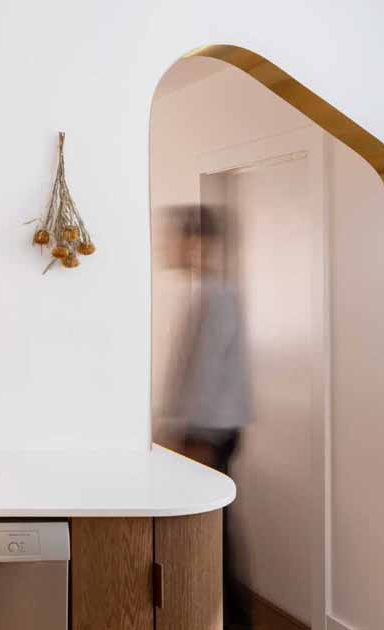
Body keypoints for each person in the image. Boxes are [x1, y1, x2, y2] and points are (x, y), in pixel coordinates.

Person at [162, 204, 253, 628]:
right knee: (218, 530)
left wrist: (191, 435)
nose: (170, 247)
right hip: (209, 425)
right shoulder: (211, 291)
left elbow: (207, 370)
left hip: (210, 429)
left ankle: (230, 620)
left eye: (177, 237)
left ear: (197, 242)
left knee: (214, 532)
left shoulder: (216, 294)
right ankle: (229, 618)